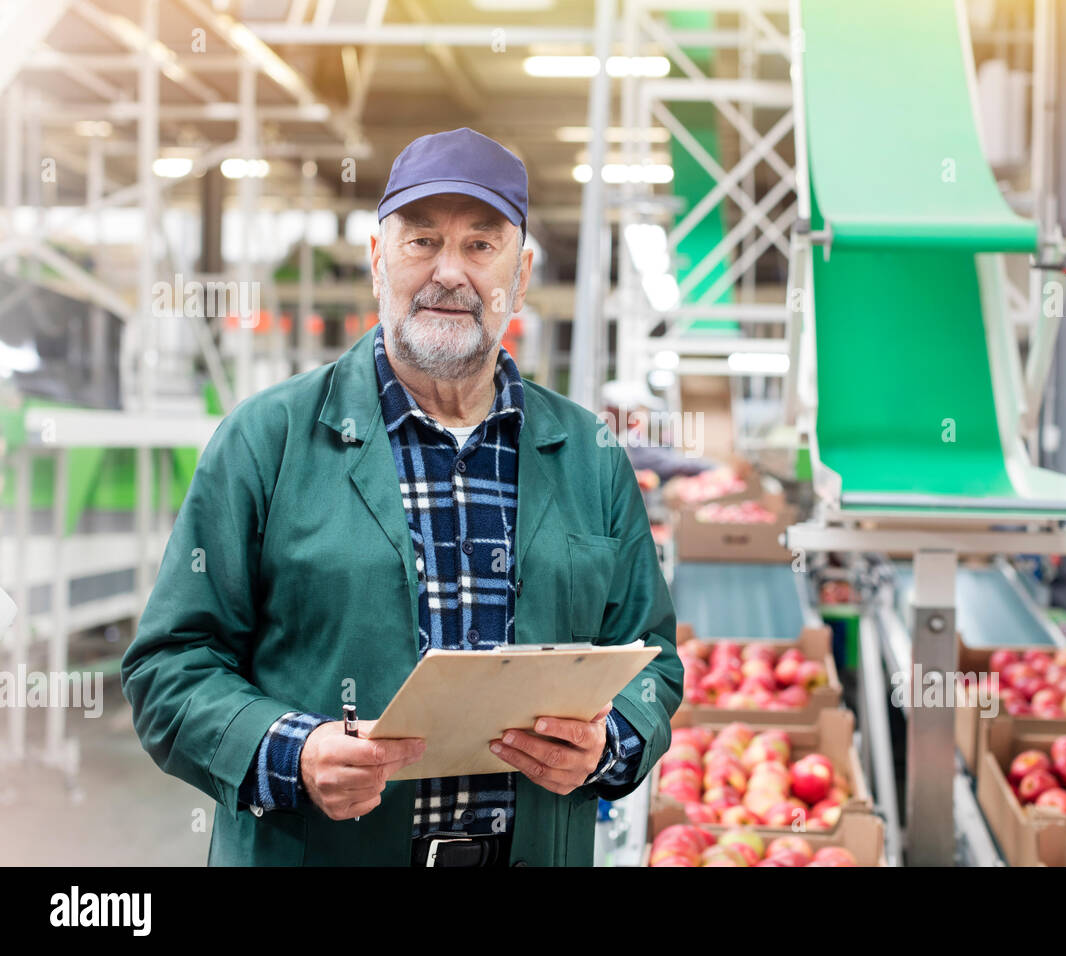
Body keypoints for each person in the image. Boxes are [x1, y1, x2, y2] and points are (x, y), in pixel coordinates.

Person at [121, 128, 682, 867]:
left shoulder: (589, 454)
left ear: (521, 274)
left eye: (481, 247)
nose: (449, 272)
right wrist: (293, 750)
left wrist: (609, 743)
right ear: (379, 261)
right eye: (422, 241)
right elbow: (170, 666)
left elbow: (653, 660)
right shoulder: (268, 440)